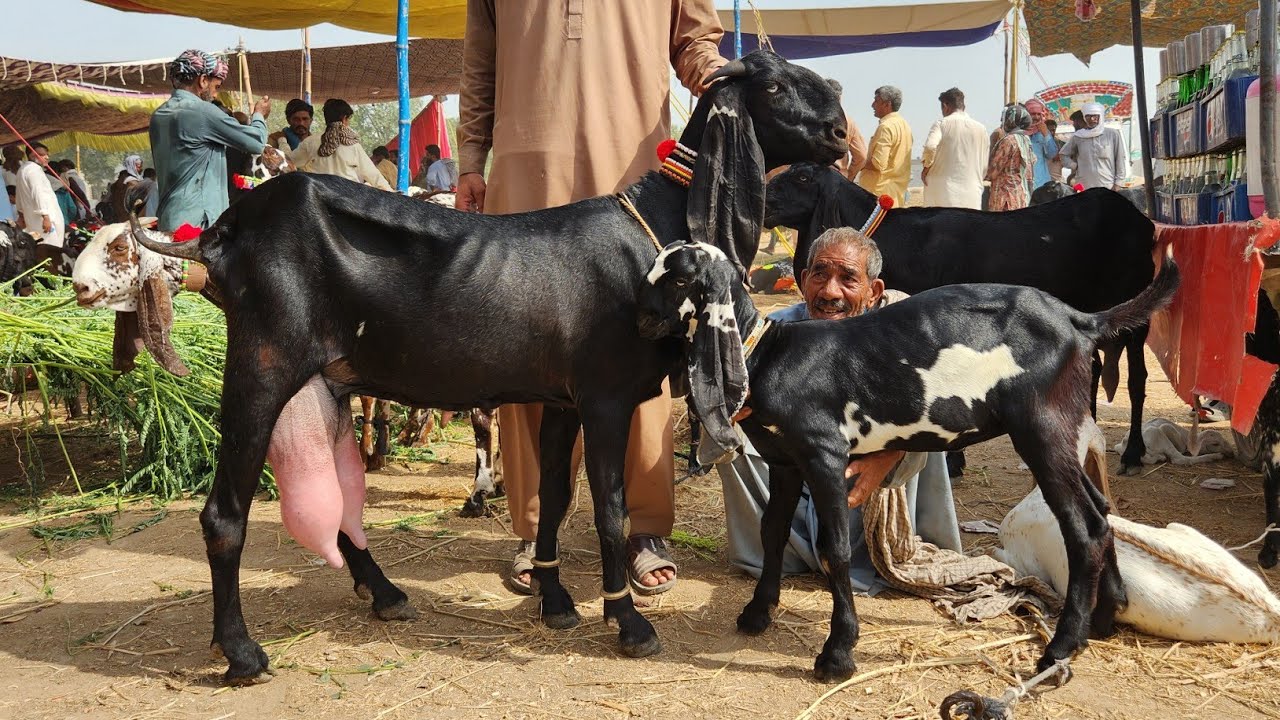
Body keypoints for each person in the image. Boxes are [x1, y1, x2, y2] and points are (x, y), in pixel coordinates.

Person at [456, 0, 725, 596]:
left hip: (635, 160)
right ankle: (534, 527)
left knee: (644, 334)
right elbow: (481, 64)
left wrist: (712, 70)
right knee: (523, 339)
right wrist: (471, 157)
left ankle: (644, 525)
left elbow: (694, 39)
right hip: (528, 159)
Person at [715, 226, 961, 591]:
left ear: (873, 291)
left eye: (848, 279)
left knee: (926, 419)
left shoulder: (903, 328)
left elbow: (950, 399)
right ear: (802, 280)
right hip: (795, 475)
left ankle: (874, 554)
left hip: (869, 470)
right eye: (820, 275)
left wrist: (891, 453)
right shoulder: (774, 332)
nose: (830, 292)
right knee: (732, 434)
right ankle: (781, 553)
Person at [150, 49, 270, 231]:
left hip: (168, 219)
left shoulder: (158, 115)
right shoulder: (202, 111)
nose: (215, 95)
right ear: (203, 80)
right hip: (197, 223)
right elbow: (256, 143)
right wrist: (259, 115)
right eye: (216, 87)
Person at [290, 99, 392, 190]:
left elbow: (290, 162)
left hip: (320, 199)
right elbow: (373, 175)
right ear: (344, 118)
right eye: (348, 119)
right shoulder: (353, 145)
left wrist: (282, 141)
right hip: (348, 199)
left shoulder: (310, 142)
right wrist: (391, 192)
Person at [920, 87, 988, 209]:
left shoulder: (941, 124)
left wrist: (926, 168)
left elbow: (930, 147)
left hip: (942, 191)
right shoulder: (981, 129)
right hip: (972, 192)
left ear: (945, 105)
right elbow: (984, 165)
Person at [857, 86, 912, 207]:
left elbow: (878, 164)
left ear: (887, 104)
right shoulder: (905, 125)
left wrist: (858, 162)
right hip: (897, 194)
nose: (872, 105)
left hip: (879, 195)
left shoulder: (886, 127)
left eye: (876, 101)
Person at [1057, 102, 1128, 191]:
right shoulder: (1078, 136)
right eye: (1088, 116)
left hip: (1108, 186)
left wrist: (1118, 184)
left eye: (1095, 116)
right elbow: (1063, 154)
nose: (1092, 119)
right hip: (1084, 187)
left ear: (1100, 117)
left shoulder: (1112, 134)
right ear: (1084, 118)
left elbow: (1120, 159)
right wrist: (1074, 165)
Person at [986, 104, 1037, 211]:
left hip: (1004, 198)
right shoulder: (1026, 140)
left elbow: (993, 171)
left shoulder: (1008, 140)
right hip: (1020, 195)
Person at [14, 142, 64, 245]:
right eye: (42, 154)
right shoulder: (34, 170)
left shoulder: (23, 170)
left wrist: (21, 213)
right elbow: (38, 193)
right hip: (44, 220)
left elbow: (19, 195)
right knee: (51, 247)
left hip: (32, 218)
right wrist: (45, 216)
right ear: (32, 155)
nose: (46, 157)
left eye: (47, 154)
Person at [826, 80, 868, 180]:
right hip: (838, 179)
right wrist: (849, 176)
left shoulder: (809, 119)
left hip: (813, 180)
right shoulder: (849, 122)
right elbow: (861, 156)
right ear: (840, 97)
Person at [1023, 99, 1058, 191]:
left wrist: (1046, 134)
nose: (1036, 117)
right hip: (1023, 183)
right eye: (1033, 114)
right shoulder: (1019, 133)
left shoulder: (1043, 133)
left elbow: (1052, 154)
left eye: (1039, 114)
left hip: (1041, 182)